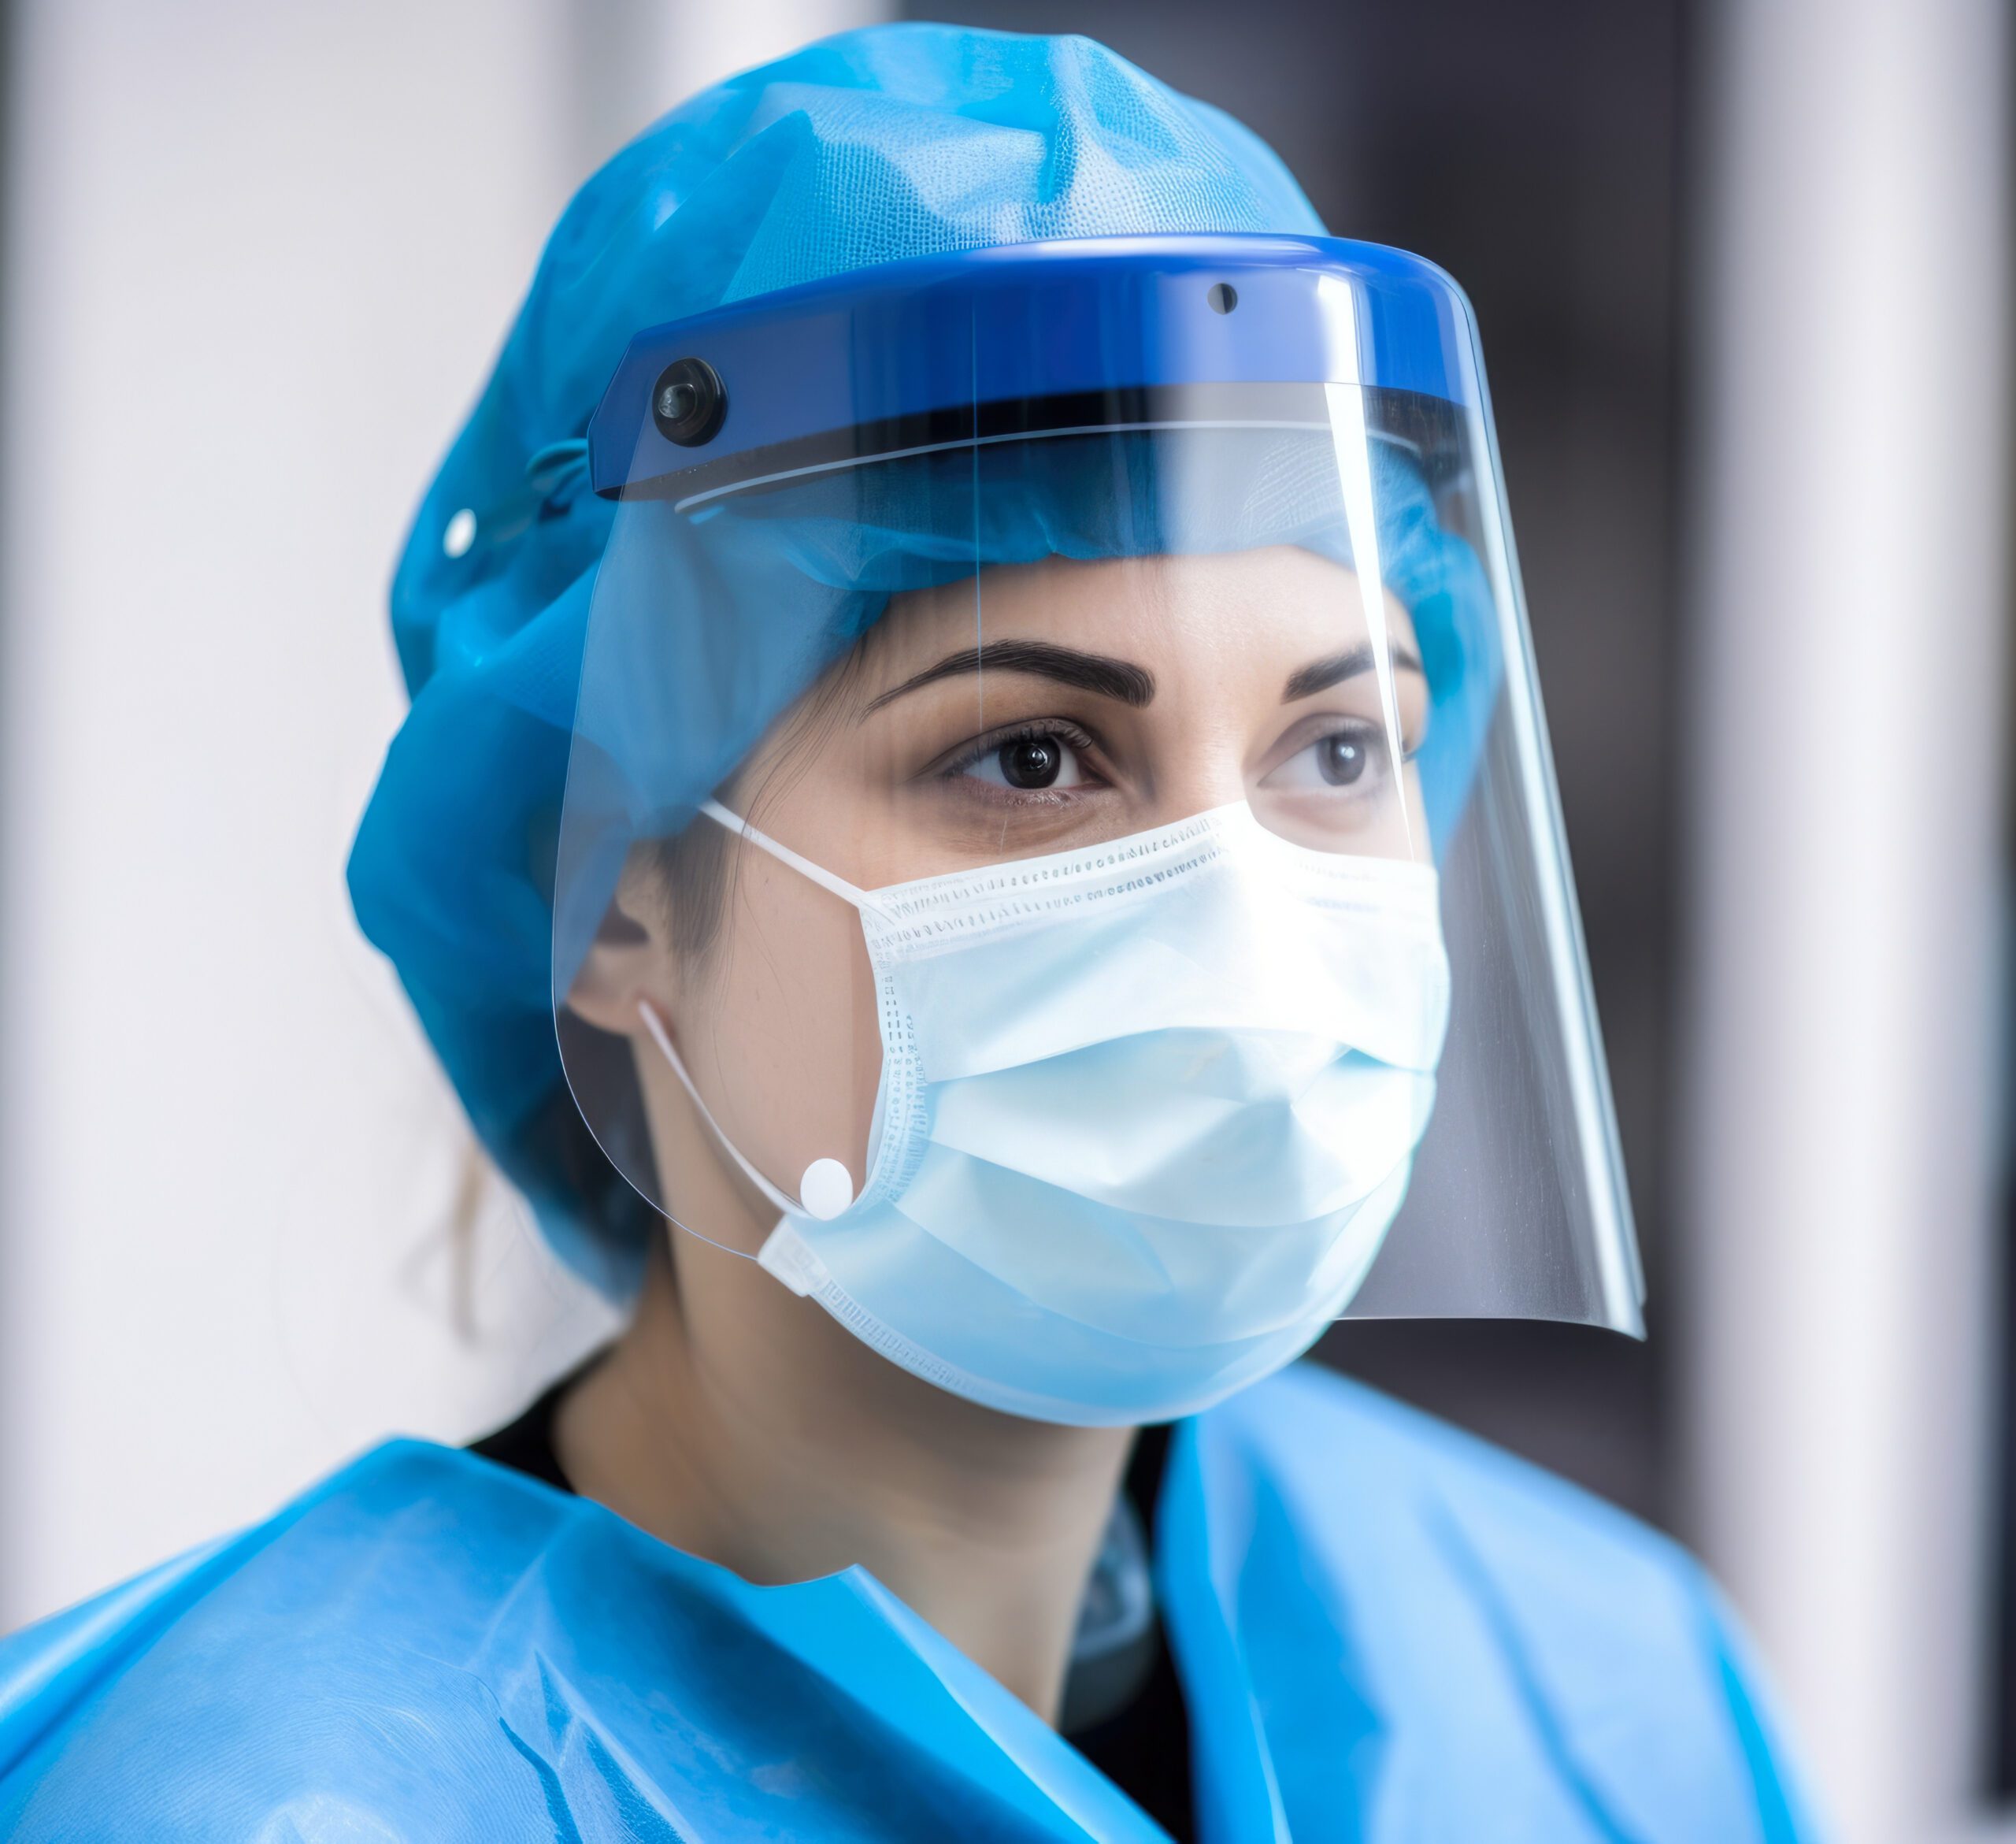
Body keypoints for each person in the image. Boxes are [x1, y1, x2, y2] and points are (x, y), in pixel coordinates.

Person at [0, 24, 1820, 1842]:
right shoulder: (262, 1803)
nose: (1243, 916)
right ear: (620, 893)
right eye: (1032, 756)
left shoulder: (1597, 1695)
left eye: (1332, 746)